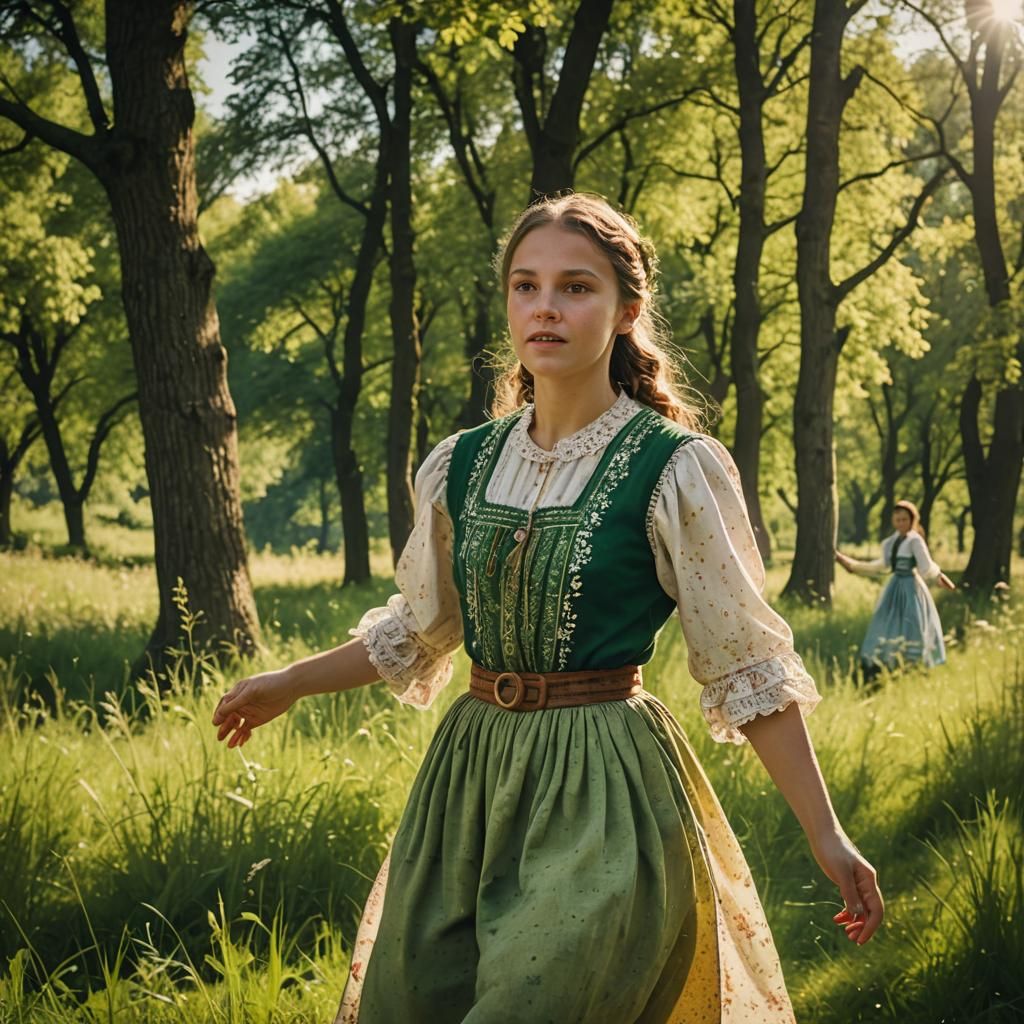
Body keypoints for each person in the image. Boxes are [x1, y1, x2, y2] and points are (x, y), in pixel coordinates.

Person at [213, 194, 883, 1024]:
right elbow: (418, 631)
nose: (546, 307)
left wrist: (828, 836)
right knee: (415, 999)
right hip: (468, 782)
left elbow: (746, 665)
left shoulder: (676, 469)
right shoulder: (459, 464)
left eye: (576, 287)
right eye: (526, 287)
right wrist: (289, 681)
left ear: (627, 309)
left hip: (603, 784)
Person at [835, 501, 955, 678]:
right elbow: (882, 565)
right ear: (893, 520)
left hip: (911, 587)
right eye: (898, 520)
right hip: (894, 586)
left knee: (912, 622)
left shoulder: (915, 540)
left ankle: (914, 664)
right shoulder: (890, 542)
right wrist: (852, 565)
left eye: (905, 520)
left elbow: (925, 566)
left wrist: (939, 576)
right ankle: (887, 662)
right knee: (887, 621)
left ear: (912, 520)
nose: (901, 523)